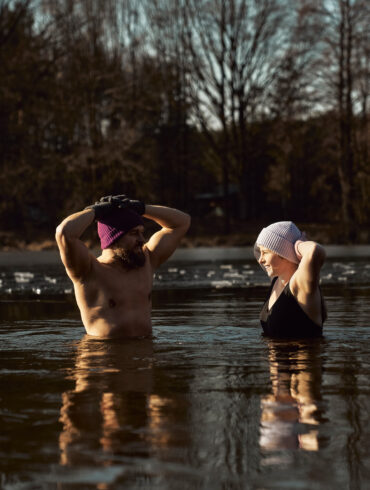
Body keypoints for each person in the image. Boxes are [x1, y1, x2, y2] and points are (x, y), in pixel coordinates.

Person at [55, 195, 191, 338]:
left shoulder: (148, 261)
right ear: (114, 239)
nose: (142, 240)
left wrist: (141, 208)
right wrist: (94, 211)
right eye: (134, 233)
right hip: (102, 354)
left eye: (141, 233)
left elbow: (182, 222)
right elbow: (65, 233)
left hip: (144, 354)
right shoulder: (88, 271)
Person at [254, 221, 326, 338]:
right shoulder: (277, 280)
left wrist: (296, 245)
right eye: (260, 252)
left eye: (265, 253)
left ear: (283, 252)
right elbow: (257, 250)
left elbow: (314, 250)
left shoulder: (300, 284)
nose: (260, 259)